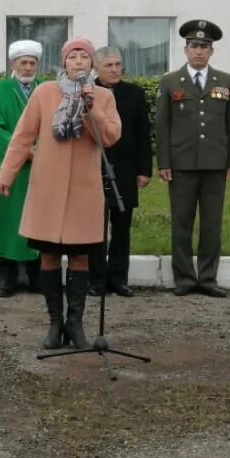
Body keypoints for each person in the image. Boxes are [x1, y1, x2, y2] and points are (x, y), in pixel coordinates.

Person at [0, 37, 121, 352]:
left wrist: (92, 108)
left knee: (80, 256)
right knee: (49, 255)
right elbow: (23, 135)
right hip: (47, 189)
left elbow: (108, 138)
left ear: (92, 64)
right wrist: (7, 173)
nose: (78, 61)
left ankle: (75, 323)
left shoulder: (103, 96)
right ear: (63, 63)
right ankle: (54, 323)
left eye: (84, 57)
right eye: (72, 56)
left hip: (84, 192)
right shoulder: (44, 93)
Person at [156, 20, 230, 299]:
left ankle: (207, 278)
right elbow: (163, 125)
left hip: (215, 164)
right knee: (181, 223)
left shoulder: (225, 81)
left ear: (211, 52)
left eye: (204, 47)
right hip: (181, 165)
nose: (199, 52)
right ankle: (183, 278)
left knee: (211, 224)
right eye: (194, 46)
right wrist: (164, 163)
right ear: (185, 50)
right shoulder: (170, 82)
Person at [88, 47, 153, 299]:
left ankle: (119, 279)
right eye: (109, 65)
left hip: (126, 170)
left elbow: (143, 135)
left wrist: (144, 169)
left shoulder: (134, 94)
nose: (115, 69)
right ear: (96, 68)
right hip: (93, 167)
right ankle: (96, 280)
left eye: (118, 64)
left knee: (122, 226)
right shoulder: (87, 91)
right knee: (95, 228)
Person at [0, 40, 42, 299]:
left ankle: (36, 273)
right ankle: (6, 274)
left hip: (41, 163)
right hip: (7, 162)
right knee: (5, 214)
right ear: (13, 64)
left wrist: (41, 150)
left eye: (32, 63)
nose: (28, 68)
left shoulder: (46, 89)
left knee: (38, 215)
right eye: (23, 63)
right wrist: (24, 150)